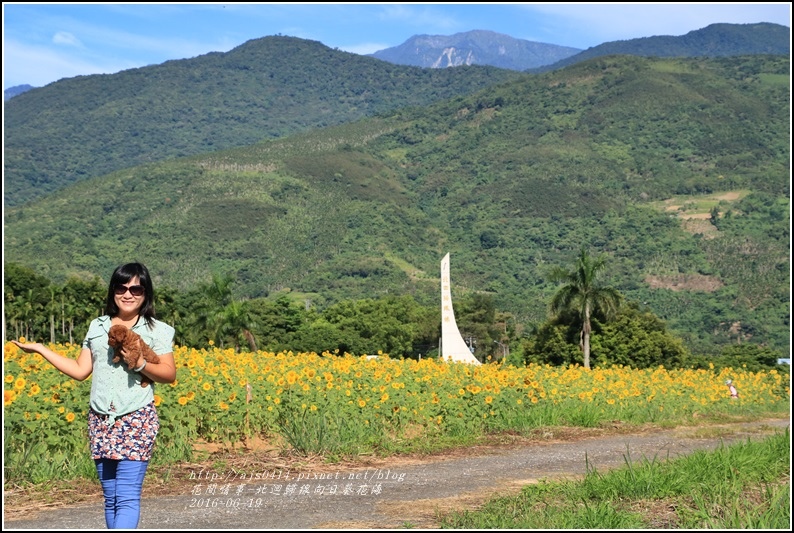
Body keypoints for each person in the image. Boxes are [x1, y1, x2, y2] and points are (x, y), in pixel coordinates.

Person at [12, 262, 176, 529]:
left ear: (146, 293)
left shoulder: (157, 329)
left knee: (125, 497)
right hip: (100, 420)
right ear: (113, 290)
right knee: (110, 498)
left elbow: (169, 374)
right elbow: (80, 370)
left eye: (136, 288)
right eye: (121, 287)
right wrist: (42, 349)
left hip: (136, 418)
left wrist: (141, 365)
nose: (128, 294)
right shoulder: (97, 327)